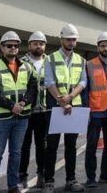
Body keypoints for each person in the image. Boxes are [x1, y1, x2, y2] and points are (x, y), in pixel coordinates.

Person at [0, 31, 36, 193]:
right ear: (2, 47)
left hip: (22, 117)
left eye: (15, 45)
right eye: (9, 46)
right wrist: (11, 105)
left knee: (16, 153)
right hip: (1, 118)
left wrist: (23, 102)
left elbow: (33, 88)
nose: (13, 48)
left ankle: (13, 186)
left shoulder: (27, 67)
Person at [43, 24, 87, 192]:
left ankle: (71, 180)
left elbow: (83, 81)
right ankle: (49, 181)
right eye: (68, 39)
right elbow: (49, 82)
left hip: (73, 107)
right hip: (56, 108)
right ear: (61, 39)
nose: (71, 42)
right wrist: (62, 101)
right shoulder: (51, 58)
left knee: (71, 145)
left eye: (74, 39)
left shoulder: (80, 60)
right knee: (52, 146)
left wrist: (70, 97)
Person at [83, 32, 107, 187]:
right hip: (95, 112)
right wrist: (86, 110)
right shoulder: (89, 65)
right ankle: (91, 178)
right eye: (103, 46)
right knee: (91, 146)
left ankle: (105, 174)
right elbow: (85, 90)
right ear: (98, 47)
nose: (105, 48)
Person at [19, 31, 49, 189]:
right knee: (24, 145)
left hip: (44, 110)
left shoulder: (50, 62)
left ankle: (41, 175)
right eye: (35, 43)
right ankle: (22, 176)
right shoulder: (20, 62)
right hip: (26, 111)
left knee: (42, 145)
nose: (38, 46)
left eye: (41, 44)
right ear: (29, 45)